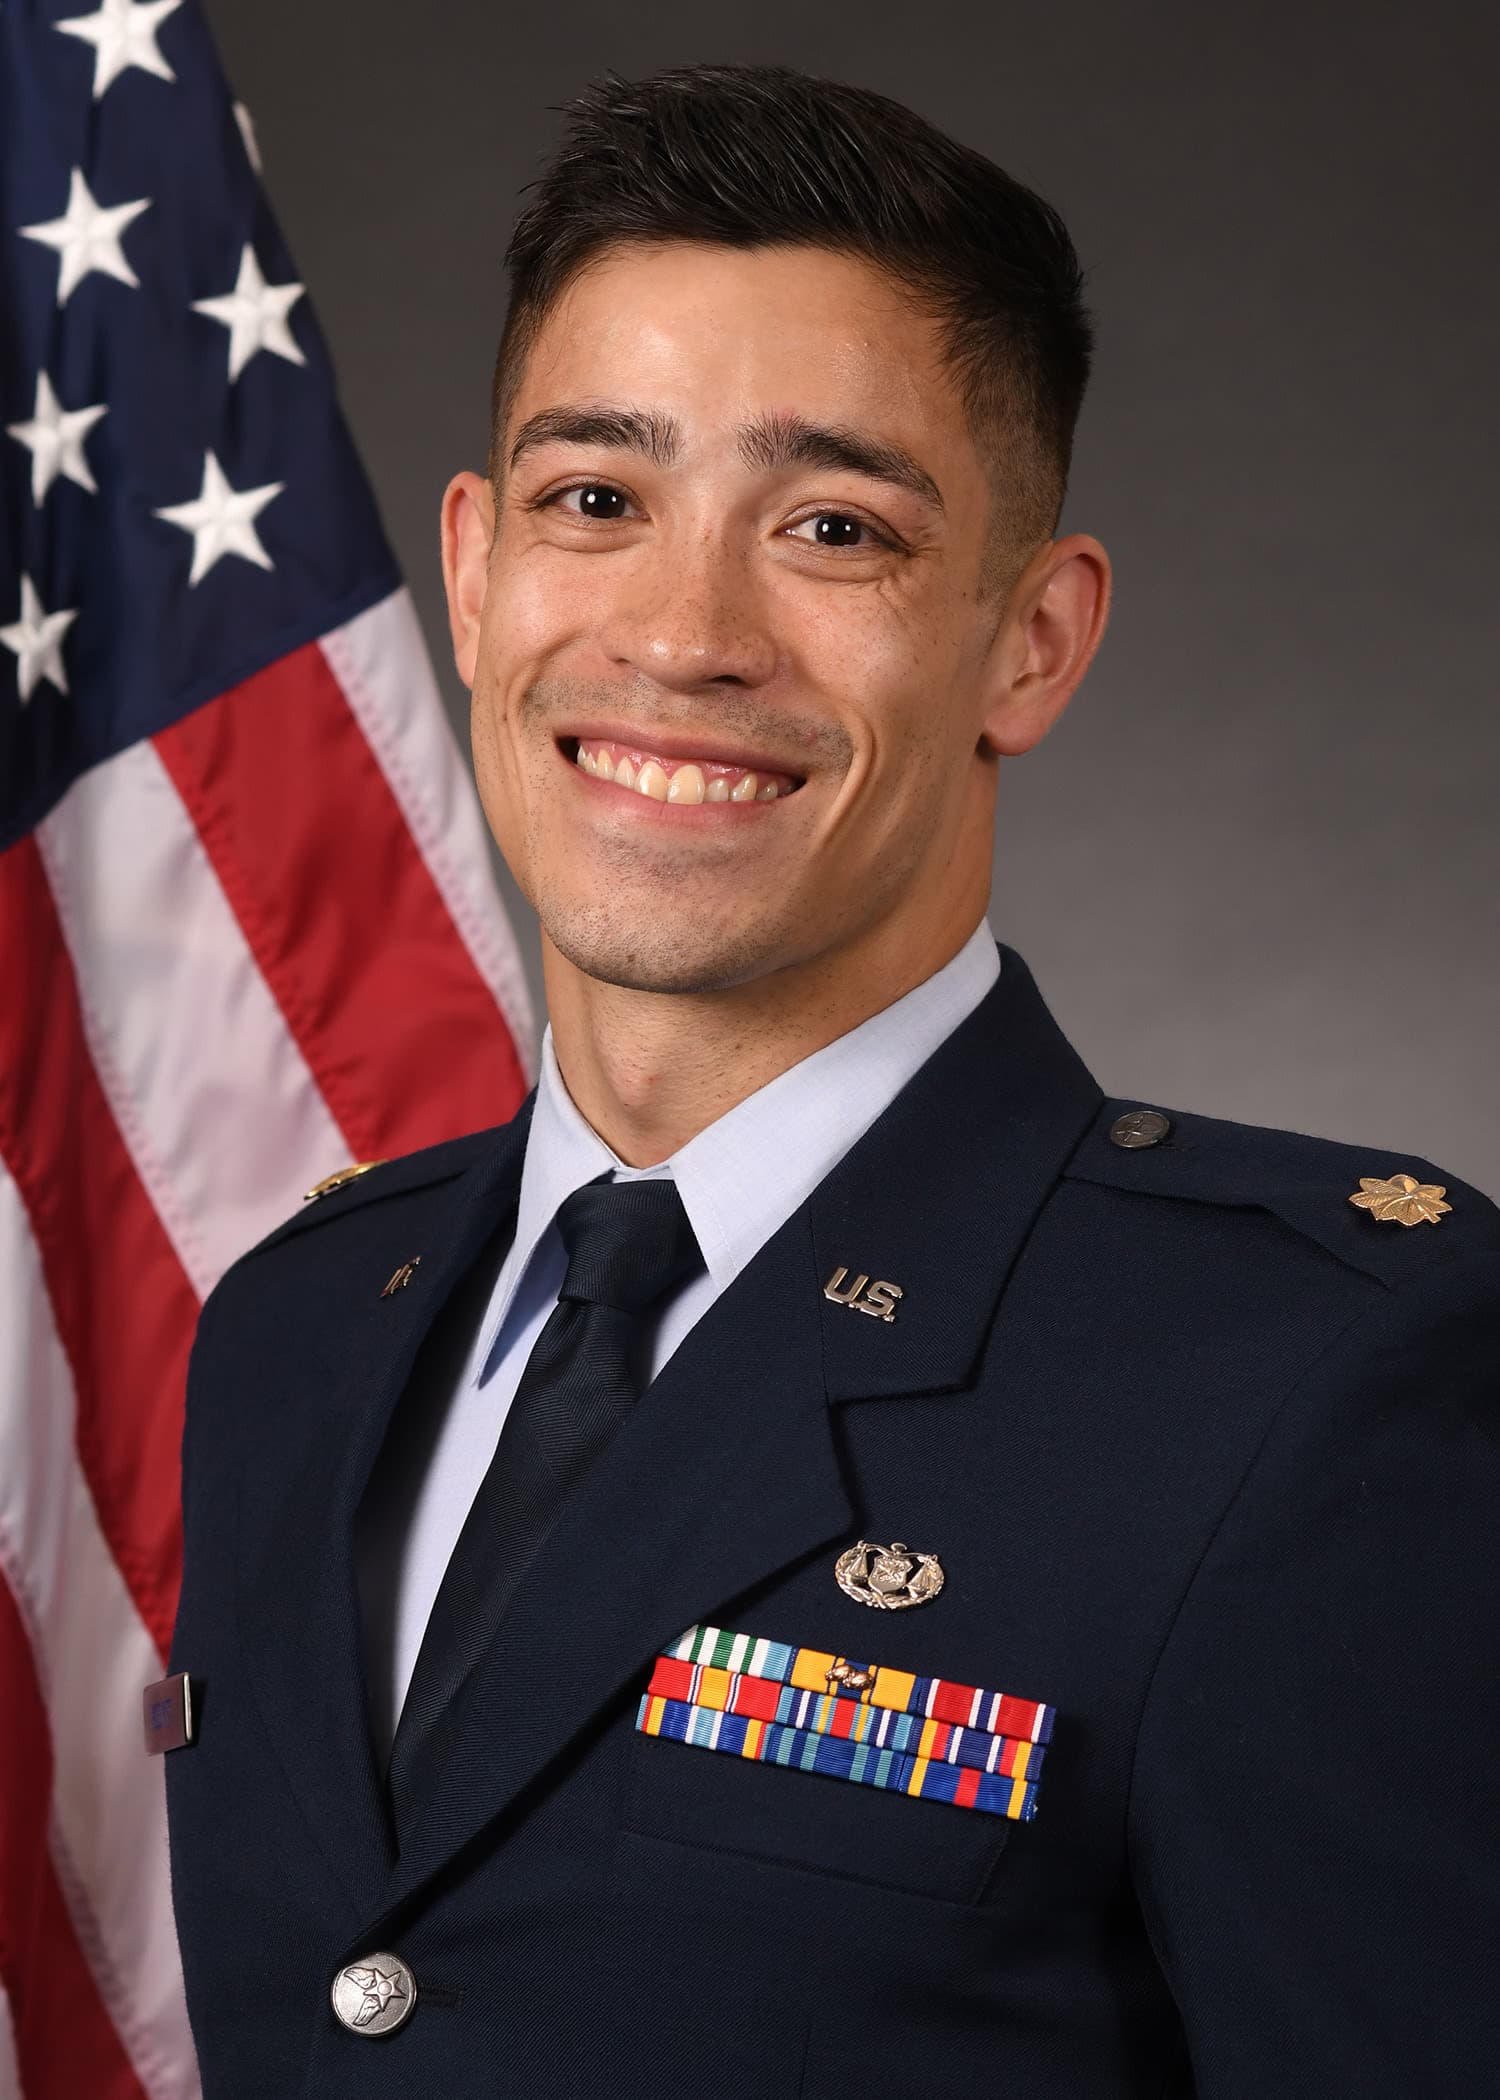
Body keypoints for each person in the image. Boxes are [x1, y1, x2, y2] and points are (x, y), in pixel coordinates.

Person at [160, 62, 1500, 2098]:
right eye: (595, 501)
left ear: (1030, 645)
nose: (685, 637)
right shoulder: (291, 1335)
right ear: (477, 573)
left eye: (833, 528)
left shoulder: (1314, 1382)